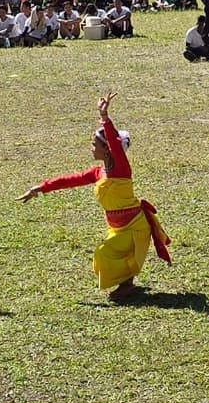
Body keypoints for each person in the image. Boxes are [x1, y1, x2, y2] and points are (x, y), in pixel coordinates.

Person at [19, 92, 168, 299]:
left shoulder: (121, 170)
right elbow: (70, 180)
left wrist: (104, 117)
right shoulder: (99, 173)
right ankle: (128, 286)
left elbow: (115, 143)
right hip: (119, 226)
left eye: (94, 144)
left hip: (134, 224)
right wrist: (40, 188)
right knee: (117, 255)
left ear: (107, 150)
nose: (91, 148)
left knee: (104, 253)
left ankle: (126, 287)